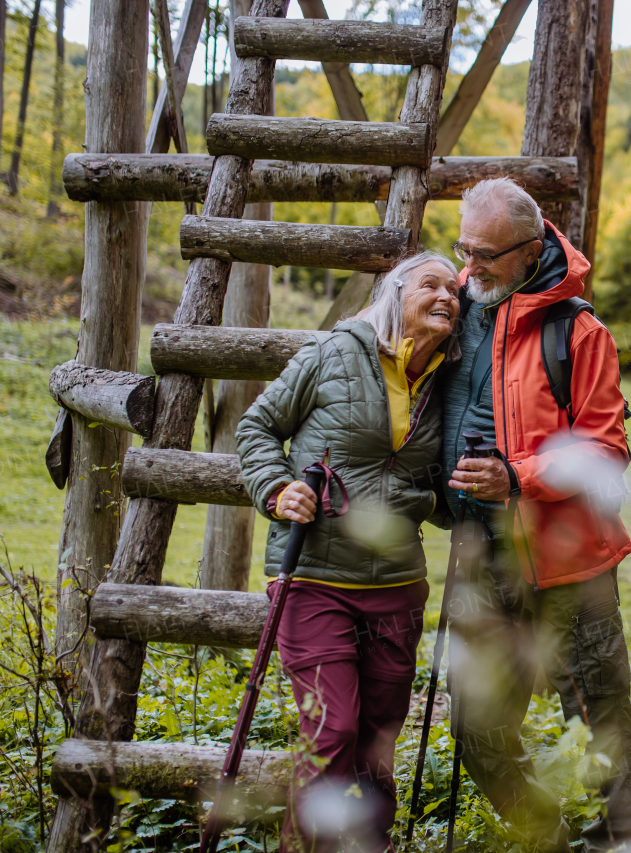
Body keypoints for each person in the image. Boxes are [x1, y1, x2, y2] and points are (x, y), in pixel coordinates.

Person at [440, 177, 631, 852]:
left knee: (599, 725)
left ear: (530, 251)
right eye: (463, 248)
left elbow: (606, 448)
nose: (469, 267)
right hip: (485, 560)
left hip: (569, 564)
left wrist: (517, 477)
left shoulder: (579, 332)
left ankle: (621, 844)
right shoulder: (459, 310)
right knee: (478, 733)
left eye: (487, 254)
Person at [236, 251, 461, 853]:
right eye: (430, 285)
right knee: (333, 730)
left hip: (396, 585)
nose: (446, 297)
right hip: (314, 578)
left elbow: (437, 484)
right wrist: (278, 489)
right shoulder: (334, 353)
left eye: (455, 290)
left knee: (378, 740)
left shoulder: (449, 379)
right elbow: (256, 428)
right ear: (395, 294)